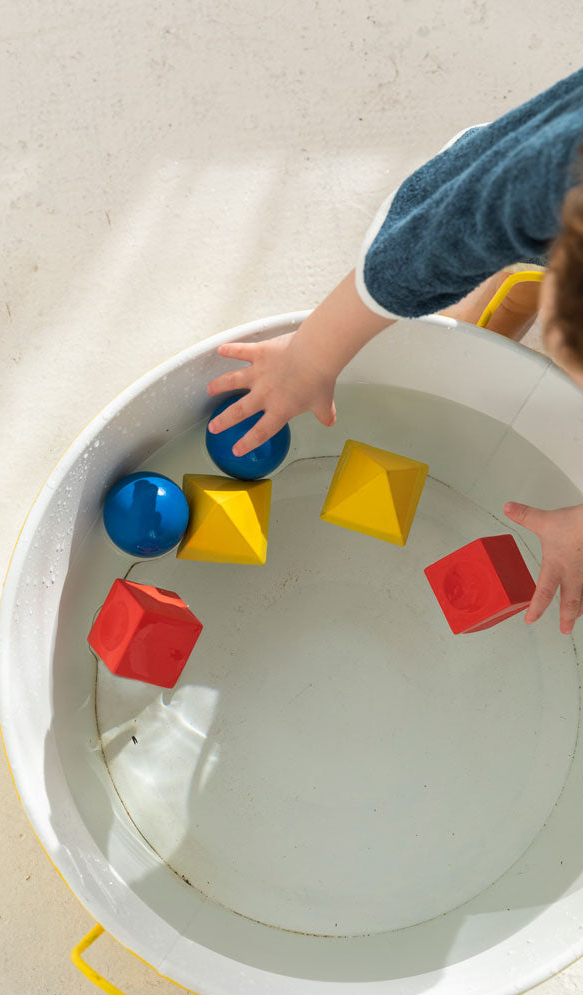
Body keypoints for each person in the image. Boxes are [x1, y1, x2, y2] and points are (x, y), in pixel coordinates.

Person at [207, 67, 583, 633]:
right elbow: (412, 251)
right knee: (449, 325)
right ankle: (505, 289)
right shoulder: (540, 182)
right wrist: (309, 359)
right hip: (495, 198)